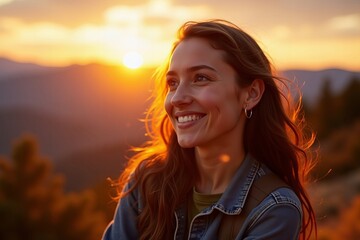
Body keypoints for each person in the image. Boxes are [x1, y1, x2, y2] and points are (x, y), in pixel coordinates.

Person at [102, 19, 317, 240]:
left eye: (200, 78)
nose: (177, 98)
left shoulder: (273, 209)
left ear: (251, 94)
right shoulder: (146, 182)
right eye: (173, 83)